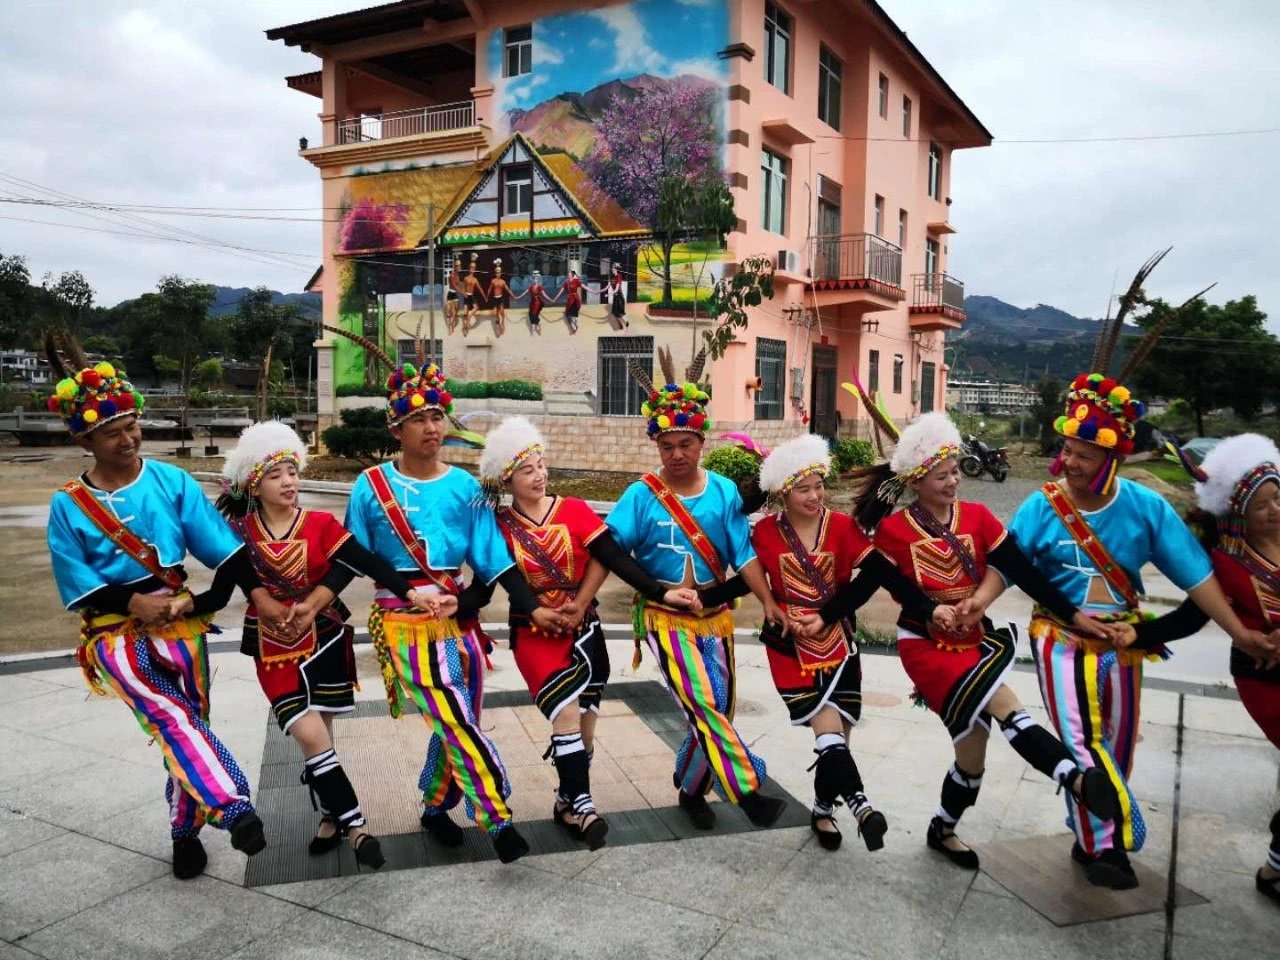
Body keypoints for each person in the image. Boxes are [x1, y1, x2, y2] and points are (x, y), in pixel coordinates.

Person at [805, 392, 1123, 874]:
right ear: (917, 480)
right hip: (925, 650)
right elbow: (870, 587)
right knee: (1007, 705)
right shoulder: (894, 530)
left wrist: (1074, 615)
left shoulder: (979, 518)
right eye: (942, 474)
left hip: (974, 641)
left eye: (955, 470)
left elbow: (1024, 571)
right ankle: (1076, 780)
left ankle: (943, 827)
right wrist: (825, 618)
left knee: (971, 759)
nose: (953, 480)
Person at [1002, 373, 1274, 888]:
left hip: (1124, 644)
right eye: (1067, 450)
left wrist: (1239, 633)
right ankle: (1109, 846)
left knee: (1118, 742)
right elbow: (1006, 562)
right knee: (1082, 739)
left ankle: (1087, 835)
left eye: (1083, 454)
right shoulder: (1041, 505)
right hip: (1059, 638)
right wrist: (974, 602)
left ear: (1113, 458)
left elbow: (1198, 580)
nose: (1069, 462)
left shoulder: (1146, 509)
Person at [42, 333, 278, 879]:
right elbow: (75, 582)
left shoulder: (171, 481)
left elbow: (225, 550)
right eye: (111, 432)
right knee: (170, 716)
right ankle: (234, 807)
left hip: (181, 624)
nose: (127, 439)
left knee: (192, 725)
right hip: (115, 634)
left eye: (131, 426)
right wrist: (130, 601)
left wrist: (245, 595)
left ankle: (183, 831)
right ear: (85, 439)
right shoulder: (68, 504)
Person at [183, 421, 436, 869]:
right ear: (254, 484)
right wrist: (175, 606)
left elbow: (367, 562)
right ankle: (357, 827)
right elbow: (218, 597)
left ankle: (328, 815)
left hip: (325, 641)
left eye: (293, 472)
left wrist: (412, 592)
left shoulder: (320, 524)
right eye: (277, 474)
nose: (289, 482)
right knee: (310, 734)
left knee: (322, 738)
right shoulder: (238, 533)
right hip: (272, 651)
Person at [344, 356, 555, 864]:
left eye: (438, 416)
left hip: (459, 621)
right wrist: (305, 605)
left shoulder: (467, 488)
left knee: (458, 716)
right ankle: (498, 816)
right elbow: (353, 554)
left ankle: (436, 807)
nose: (431, 427)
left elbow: (492, 562)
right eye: (418, 418)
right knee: (456, 717)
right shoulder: (370, 486)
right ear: (396, 426)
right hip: (402, 620)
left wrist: (516, 606)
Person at [702, 433, 953, 851]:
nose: (816, 495)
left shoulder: (841, 528)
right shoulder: (765, 533)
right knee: (828, 733)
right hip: (788, 646)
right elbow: (742, 584)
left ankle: (822, 809)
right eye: (804, 488)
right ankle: (862, 808)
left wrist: (927, 609)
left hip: (839, 641)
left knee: (840, 737)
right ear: (784, 492)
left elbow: (879, 575)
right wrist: (700, 597)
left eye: (820, 485)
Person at [469, 417, 700, 847]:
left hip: (586, 632)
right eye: (527, 469)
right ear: (506, 478)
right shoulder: (497, 526)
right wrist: (442, 603)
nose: (539, 475)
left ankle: (565, 800)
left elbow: (614, 557)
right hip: (534, 637)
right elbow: (484, 586)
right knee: (566, 716)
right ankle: (584, 805)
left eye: (541, 465)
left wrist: (660, 594)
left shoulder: (574, 510)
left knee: (584, 729)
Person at [606, 347, 788, 830]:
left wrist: (767, 600)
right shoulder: (641, 494)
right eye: (667, 446)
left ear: (701, 440)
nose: (676, 454)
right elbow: (611, 550)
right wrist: (603, 597)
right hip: (665, 619)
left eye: (685, 444)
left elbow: (744, 555)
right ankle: (748, 790)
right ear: (657, 447)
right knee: (703, 703)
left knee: (718, 707)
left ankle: (690, 788)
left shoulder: (724, 491)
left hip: (716, 618)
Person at [1114, 434, 1280, 904]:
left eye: (1278, 498)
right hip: (1263, 676)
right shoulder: (1226, 563)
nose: (1274, 510)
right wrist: (1139, 635)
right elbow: (1192, 616)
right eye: (1262, 503)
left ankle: (1275, 866)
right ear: (1238, 511)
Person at [513, 270, 551, 336]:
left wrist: (551, 299)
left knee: (534, 315)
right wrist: (518, 297)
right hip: (532, 302)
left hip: (538, 303)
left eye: (536, 279)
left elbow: (544, 295)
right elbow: (524, 293)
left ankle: (537, 326)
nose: (535, 280)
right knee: (531, 315)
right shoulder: (530, 287)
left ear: (538, 279)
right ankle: (533, 332)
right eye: (534, 278)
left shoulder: (539, 287)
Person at [486, 258, 511, 337]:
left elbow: (507, 289)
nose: (498, 274)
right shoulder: (493, 281)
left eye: (499, 272)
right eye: (497, 272)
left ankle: (502, 323)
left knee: (502, 313)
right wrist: (487, 297)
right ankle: (499, 325)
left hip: (500, 298)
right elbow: (489, 289)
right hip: (495, 298)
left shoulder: (503, 281)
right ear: (495, 273)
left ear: (501, 273)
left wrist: (513, 296)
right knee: (497, 314)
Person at [462, 254, 484, 335]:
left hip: (471, 296)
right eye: (471, 267)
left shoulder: (475, 279)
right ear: (469, 268)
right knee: (465, 313)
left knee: (475, 307)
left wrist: (484, 296)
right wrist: (464, 293)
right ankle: (465, 329)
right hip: (467, 296)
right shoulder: (466, 278)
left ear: (475, 269)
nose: (472, 269)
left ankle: (469, 316)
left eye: (474, 268)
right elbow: (463, 287)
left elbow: (480, 288)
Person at [558, 269, 585, 335]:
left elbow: (584, 286)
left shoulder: (576, 281)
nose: (568, 274)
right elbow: (561, 291)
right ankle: (575, 324)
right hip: (570, 299)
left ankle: (574, 327)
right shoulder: (566, 282)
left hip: (575, 299)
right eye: (568, 273)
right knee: (569, 314)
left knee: (570, 314)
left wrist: (594, 291)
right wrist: (555, 298)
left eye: (569, 273)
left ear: (572, 275)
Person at [605, 266, 628, 331]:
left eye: (613, 269)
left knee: (621, 313)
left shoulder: (619, 276)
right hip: (615, 297)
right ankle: (620, 325)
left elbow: (616, 289)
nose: (612, 270)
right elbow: (607, 287)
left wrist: (608, 294)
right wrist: (598, 291)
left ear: (616, 270)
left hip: (620, 297)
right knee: (615, 314)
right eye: (612, 269)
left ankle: (626, 323)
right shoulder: (612, 278)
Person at [444, 263, 462, 335]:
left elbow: (458, 283)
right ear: (455, 267)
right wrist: (462, 292)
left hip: (455, 294)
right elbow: (454, 286)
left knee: (455, 311)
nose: (459, 267)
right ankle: (450, 327)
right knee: (449, 311)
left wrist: (462, 284)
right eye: (458, 266)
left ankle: (452, 323)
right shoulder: (452, 276)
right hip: (450, 294)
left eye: (460, 266)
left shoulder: (457, 276)